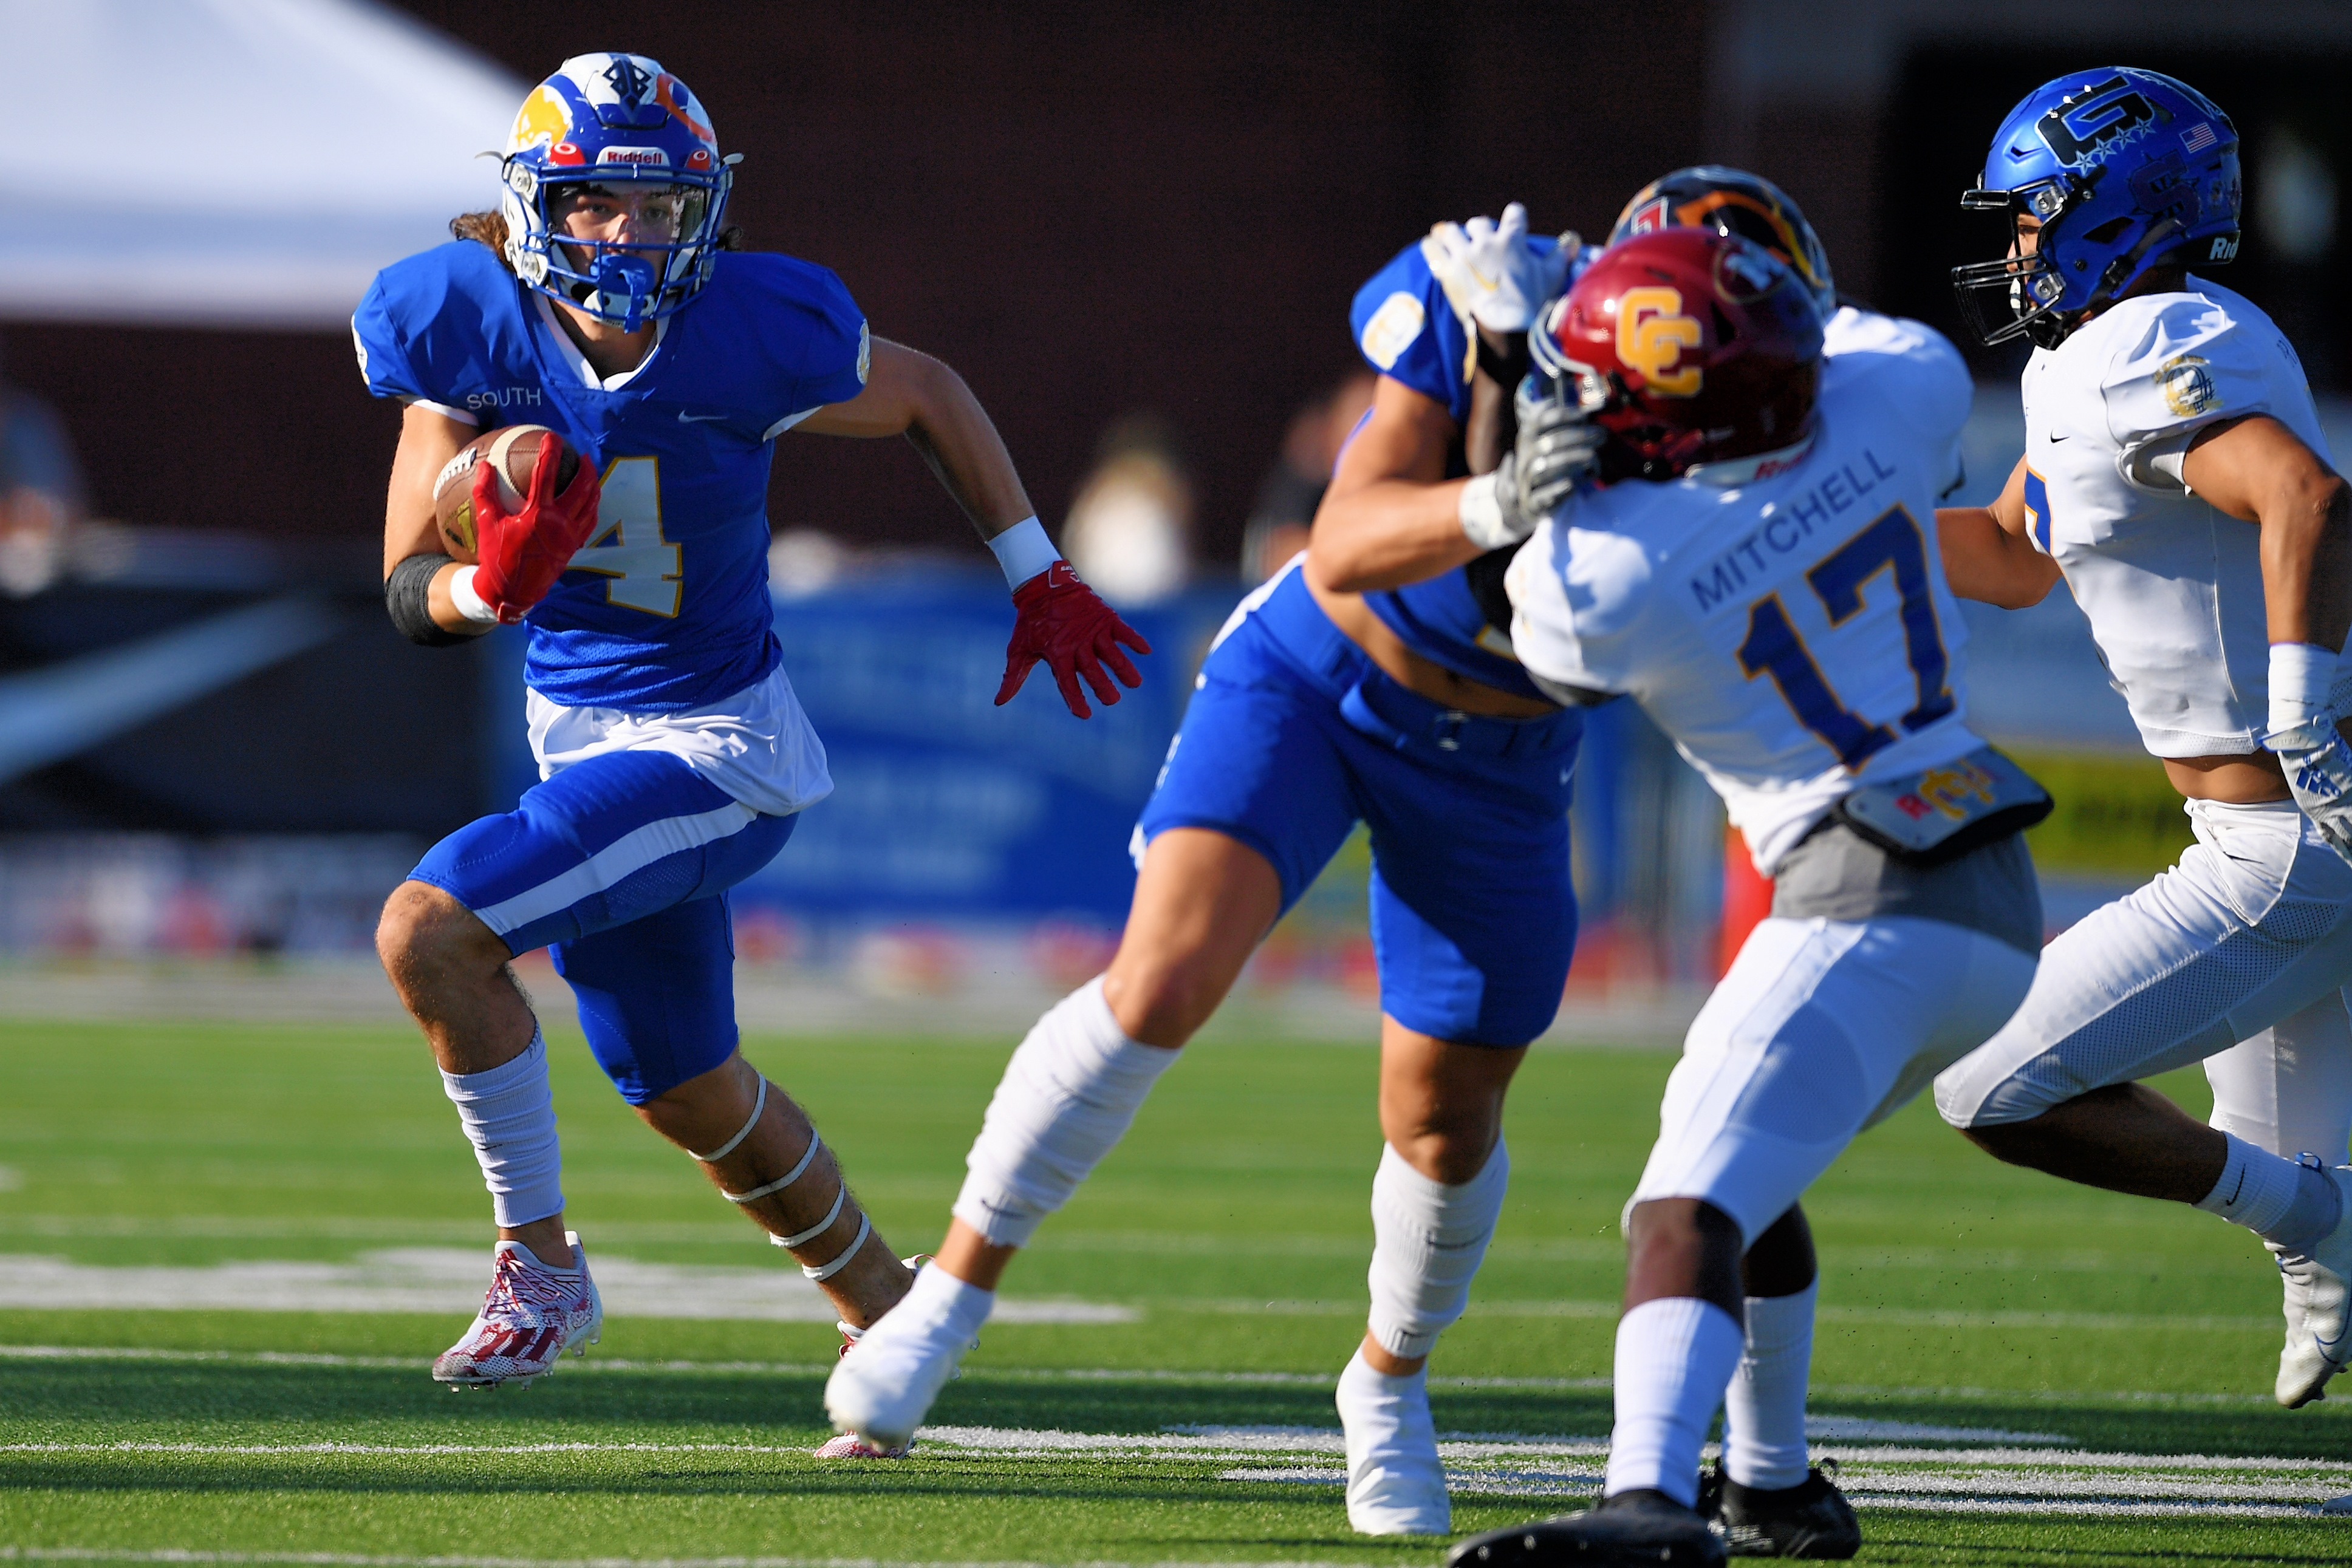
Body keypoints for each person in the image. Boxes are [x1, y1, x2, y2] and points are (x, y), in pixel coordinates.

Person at [354, 54, 1147, 1428]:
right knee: (680, 1081)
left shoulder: (750, 327)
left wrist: (1037, 571)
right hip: (588, 746)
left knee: (431, 927)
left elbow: (927, 391)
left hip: (717, 746)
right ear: (541, 205)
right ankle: (895, 1321)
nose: (633, 236)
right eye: (603, 205)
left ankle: (539, 1266)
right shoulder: (456, 324)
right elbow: (407, 594)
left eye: (662, 209)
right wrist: (490, 582)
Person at [824, 203, 1590, 1536]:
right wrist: (1501, 488)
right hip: (1321, 666)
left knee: (1446, 1115)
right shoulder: (1475, 303)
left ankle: (1388, 1385)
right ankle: (946, 1291)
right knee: (1164, 976)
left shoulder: (1741, 450)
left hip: (1501, 757)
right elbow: (1347, 535)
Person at [1449, 225, 2048, 1567]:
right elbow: (1835, 343)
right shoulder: (1899, 390)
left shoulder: (1615, 571)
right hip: (1991, 895)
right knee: (1743, 1167)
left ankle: (1646, 1500)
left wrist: (1503, 375)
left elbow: (1501, 608)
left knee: (1681, 1210)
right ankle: (1772, 1484)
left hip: (1860, 904)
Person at [1929, 69, 2352, 1409]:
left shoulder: (2153, 335)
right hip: (2265, 834)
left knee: (1991, 1084)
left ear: (2111, 210)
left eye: (2034, 217)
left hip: (2288, 838)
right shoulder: (2086, 356)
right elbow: (2006, 553)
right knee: (2279, 1161)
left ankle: (2324, 1227)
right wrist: (1809, 527)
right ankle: (2325, 1230)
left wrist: (2303, 710)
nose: (2014, 248)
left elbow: (2305, 497)